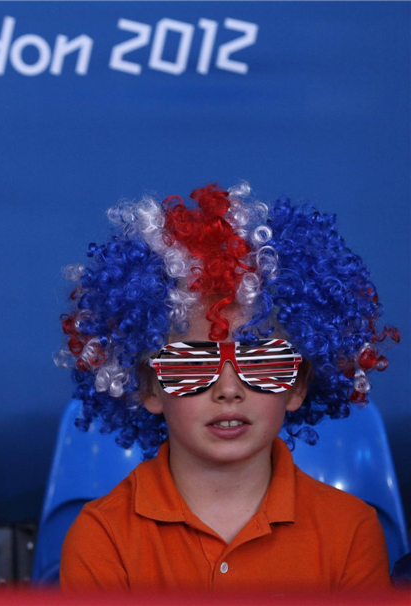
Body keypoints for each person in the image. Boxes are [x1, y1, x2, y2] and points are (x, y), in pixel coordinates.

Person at [56, 183, 397, 592]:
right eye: (193, 363)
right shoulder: (102, 536)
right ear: (148, 387)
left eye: (262, 361)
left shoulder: (351, 530)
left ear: (297, 386)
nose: (228, 390)